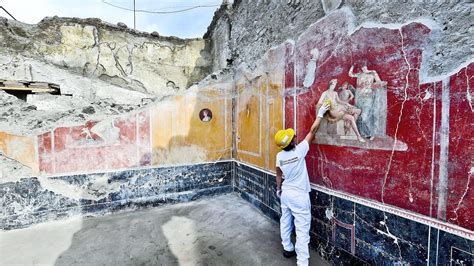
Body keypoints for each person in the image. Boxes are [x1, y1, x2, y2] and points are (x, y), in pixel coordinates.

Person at [274, 102, 330, 266]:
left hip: (285, 193)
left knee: (285, 220)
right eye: (293, 138)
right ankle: (302, 262)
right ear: (291, 143)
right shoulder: (300, 151)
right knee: (302, 229)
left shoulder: (279, 156)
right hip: (299, 196)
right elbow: (312, 131)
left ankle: (287, 248)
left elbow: (278, 174)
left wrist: (279, 189)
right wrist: (320, 114)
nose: (296, 137)